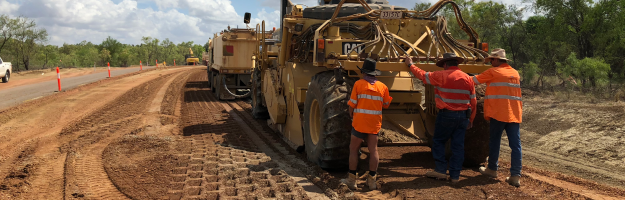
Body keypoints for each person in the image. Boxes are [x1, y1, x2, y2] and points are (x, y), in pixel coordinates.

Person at [405, 53, 477, 184]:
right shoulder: (468, 78)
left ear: (445, 64)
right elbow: (474, 102)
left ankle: (441, 170)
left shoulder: (440, 75)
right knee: (458, 146)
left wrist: (410, 64)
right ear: (457, 64)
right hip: (463, 117)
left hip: (446, 115)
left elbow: (422, 75)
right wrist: (471, 119)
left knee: (438, 141)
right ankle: (455, 176)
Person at [473, 49, 523, 187]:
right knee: (516, 146)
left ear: (496, 60)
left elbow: (474, 80)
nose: (490, 63)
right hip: (513, 113)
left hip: (498, 113)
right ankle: (515, 176)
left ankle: (492, 169)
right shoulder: (515, 73)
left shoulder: (493, 72)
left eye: (491, 61)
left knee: (495, 142)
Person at [341, 58, 393, 190]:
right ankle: (372, 181)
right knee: (373, 150)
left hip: (359, 124)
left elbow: (352, 104)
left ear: (364, 72)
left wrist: (352, 116)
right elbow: (386, 105)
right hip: (374, 125)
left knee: (353, 149)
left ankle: (352, 180)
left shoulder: (358, 84)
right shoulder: (383, 87)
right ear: (375, 73)